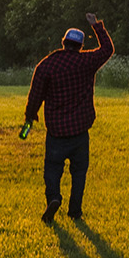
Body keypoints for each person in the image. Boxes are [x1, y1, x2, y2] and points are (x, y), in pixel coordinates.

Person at [22, 12, 113, 222]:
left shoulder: (46, 65)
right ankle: (75, 212)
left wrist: (29, 117)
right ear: (80, 46)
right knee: (79, 173)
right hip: (80, 132)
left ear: (63, 43)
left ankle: (54, 198)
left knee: (52, 170)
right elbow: (108, 50)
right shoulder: (86, 62)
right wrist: (96, 26)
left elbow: (35, 96)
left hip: (56, 133)